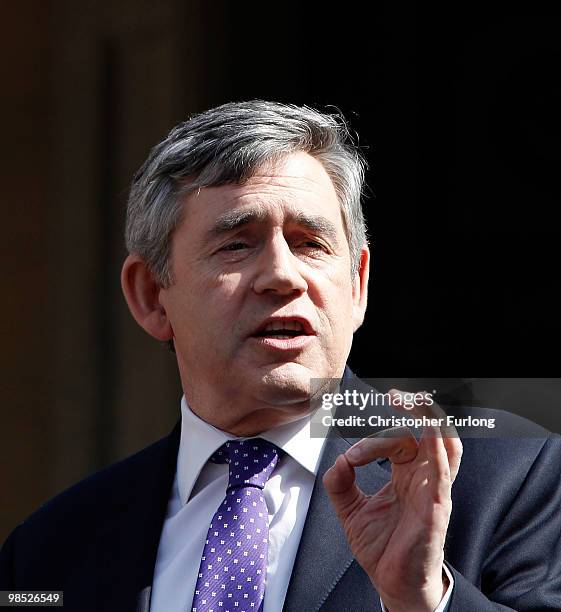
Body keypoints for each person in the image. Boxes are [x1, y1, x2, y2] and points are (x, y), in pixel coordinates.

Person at [1, 100, 560, 612]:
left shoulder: (511, 471)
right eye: (236, 244)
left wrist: (422, 600)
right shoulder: (49, 549)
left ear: (358, 284)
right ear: (152, 296)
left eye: (310, 243)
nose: (282, 276)